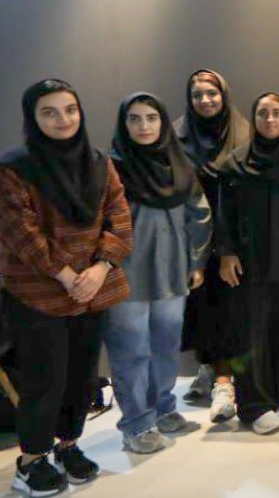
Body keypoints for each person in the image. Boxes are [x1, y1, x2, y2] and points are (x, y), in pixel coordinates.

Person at [0, 79, 133, 496]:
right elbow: (22, 234)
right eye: (49, 112)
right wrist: (68, 276)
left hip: (92, 290)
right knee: (44, 381)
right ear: (32, 118)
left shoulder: (98, 162)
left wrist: (101, 268)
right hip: (38, 295)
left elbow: (120, 216)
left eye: (70, 109)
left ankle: (67, 444)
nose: (62, 119)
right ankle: (31, 462)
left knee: (82, 378)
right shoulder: (13, 169)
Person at [103, 93, 213, 453]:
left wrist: (196, 262)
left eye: (151, 118)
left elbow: (199, 212)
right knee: (131, 349)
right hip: (126, 275)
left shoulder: (178, 163)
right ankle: (136, 424)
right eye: (134, 119)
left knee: (166, 344)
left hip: (173, 270)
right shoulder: (110, 169)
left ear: (163, 122)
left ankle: (163, 407)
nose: (144, 126)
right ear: (124, 124)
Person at [213, 93, 279, 435]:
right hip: (247, 262)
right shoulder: (235, 163)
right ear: (253, 120)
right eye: (262, 114)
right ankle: (253, 406)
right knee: (249, 335)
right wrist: (226, 253)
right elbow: (223, 214)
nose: (270, 119)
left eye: (276, 113)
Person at [173, 68, 250, 424]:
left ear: (224, 95)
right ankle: (209, 369)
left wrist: (229, 245)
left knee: (231, 311)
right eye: (197, 95)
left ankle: (225, 382)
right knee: (200, 309)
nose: (205, 100)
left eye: (212, 93)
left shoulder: (244, 132)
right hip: (193, 240)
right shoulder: (174, 137)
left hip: (235, 237)